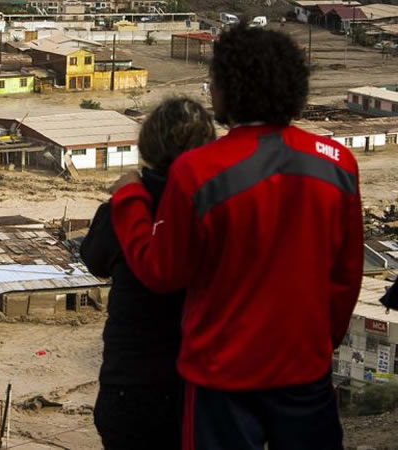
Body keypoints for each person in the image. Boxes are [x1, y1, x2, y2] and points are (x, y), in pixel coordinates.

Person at [110, 25, 363, 450]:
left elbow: (161, 271)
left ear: (228, 89)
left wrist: (129, 199)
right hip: (304, 371)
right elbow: (345, 278)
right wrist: (317, 345)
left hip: (220, 377)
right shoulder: (338, 164)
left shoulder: (198, 171)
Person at [82, 98, 217, 450]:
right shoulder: (223, 207)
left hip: (131, 387)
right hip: (206, 386)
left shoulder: (123, 209)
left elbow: (93, 259)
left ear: (147, 148)